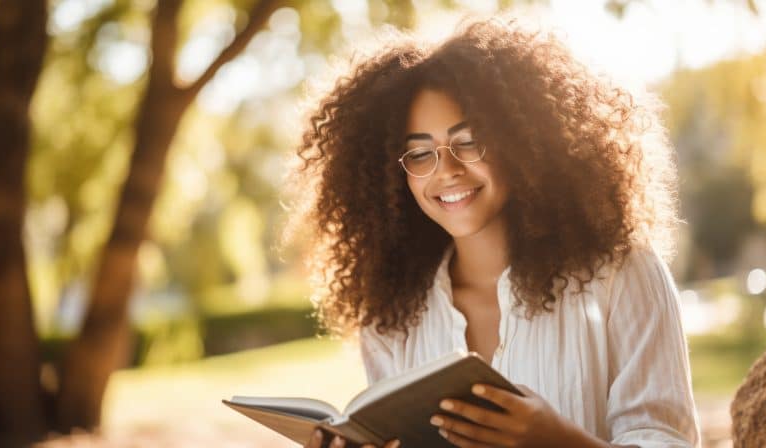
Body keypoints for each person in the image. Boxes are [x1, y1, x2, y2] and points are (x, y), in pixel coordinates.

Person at [281, 13, 700, 448]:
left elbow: (667, 439)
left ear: (520, 140)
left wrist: (558, 441)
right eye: (419, 154)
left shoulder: (621, 272)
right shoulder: (392, 319)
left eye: (468, 141)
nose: (447, 171)